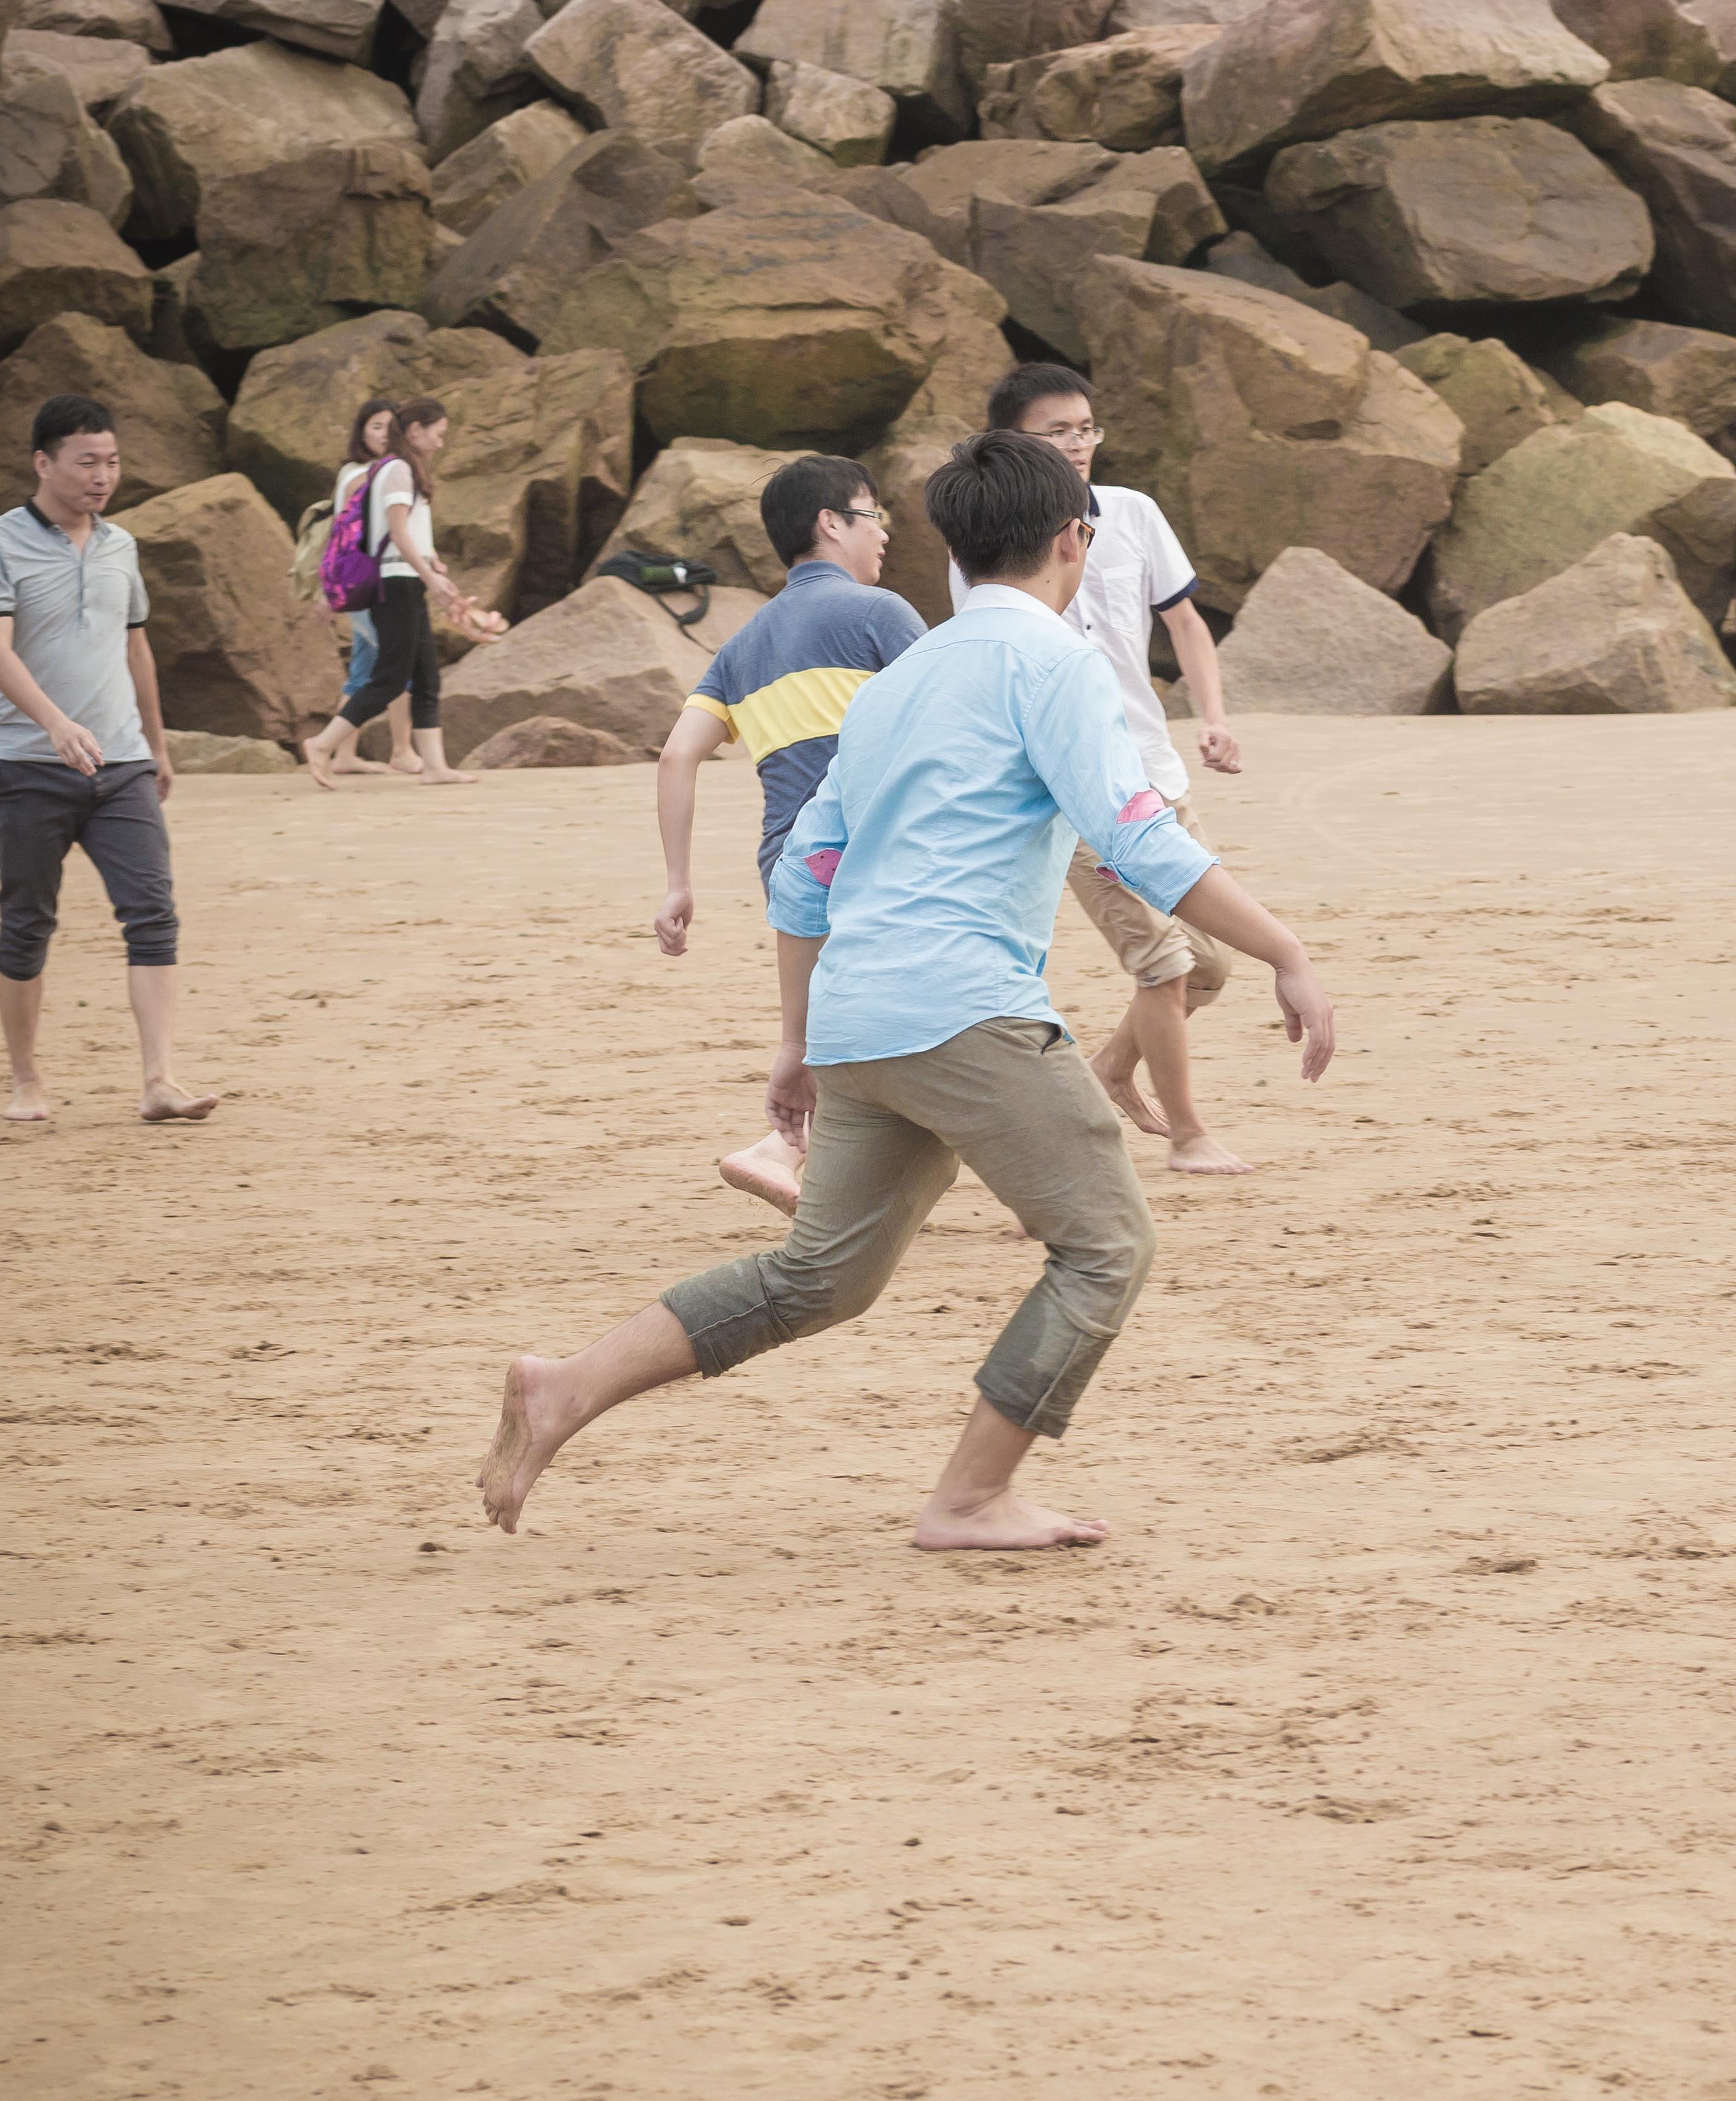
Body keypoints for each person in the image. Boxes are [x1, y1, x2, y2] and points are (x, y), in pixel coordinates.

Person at [479, 431, 1338, 1551]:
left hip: (859, 1015)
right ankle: (971, 1496)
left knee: (819, 1277)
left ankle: (566, 1386)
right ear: (1073, 539)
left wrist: (799, 1040)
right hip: (964, 1008)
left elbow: (806, 874)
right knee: (1106, 1246)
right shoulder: (1055, 662)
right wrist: (1285, 950)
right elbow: (1135, 838)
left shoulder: (898, 685)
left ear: (955, 550)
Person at [966, 361, 1257, 1177]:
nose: (1078, 443)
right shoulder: (990, 544)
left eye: (1086, 428)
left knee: (1210, 967)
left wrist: (1215, 718)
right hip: (1072, 789)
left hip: (1153, 774)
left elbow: (1185, 622)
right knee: (1163, 963)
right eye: (1055, 431)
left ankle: (1110, 1070)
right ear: (1009, 442)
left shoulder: (1133, 514)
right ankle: (1189, 1135)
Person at [662, 456, 930, 1213]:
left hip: (789, 869)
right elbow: (947, 716)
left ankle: (797, 1154)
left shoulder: (741, 647)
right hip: (874, 852)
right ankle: (787, 1148)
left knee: (847, 1020)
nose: (885, 533)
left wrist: (679, 884)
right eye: (873, 515)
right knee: (925, 1017)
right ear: (830, 523)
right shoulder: (878, 613)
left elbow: (677, 756)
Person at [0, 393, 217, 1126]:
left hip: (121, 765)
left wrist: (157, 745)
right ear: (43, 464)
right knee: (27, 924)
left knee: (153, 916)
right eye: (86, 462)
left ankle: (160, 1081)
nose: (102, 476)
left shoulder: (120, 546)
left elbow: (137, 648)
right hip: (28, 766)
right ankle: (26, 1082)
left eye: (111, 462)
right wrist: (56, 725)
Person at [299, 397, 497, 788]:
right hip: (395, 584)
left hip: (406, 580)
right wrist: (431, 578)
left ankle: (435, 767)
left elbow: (409, 534)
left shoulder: (398, 468)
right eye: (438, 434)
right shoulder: (397, 470)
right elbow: (397, 533)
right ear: (416, 431)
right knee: (391, 677)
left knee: (426, 677)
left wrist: (433, 569)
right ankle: (322, 745)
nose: (441, 443)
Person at [318, 396, 419, 781]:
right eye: (375, 426)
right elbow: (348, 534)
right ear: (361, 432)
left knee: (363, 669)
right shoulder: (366, 474)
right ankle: (402, 750)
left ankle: (345, 754)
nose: (383, 434)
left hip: (362, 583)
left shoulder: (362, 471)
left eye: (390, 427)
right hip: (367, 582)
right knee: (399, 663)